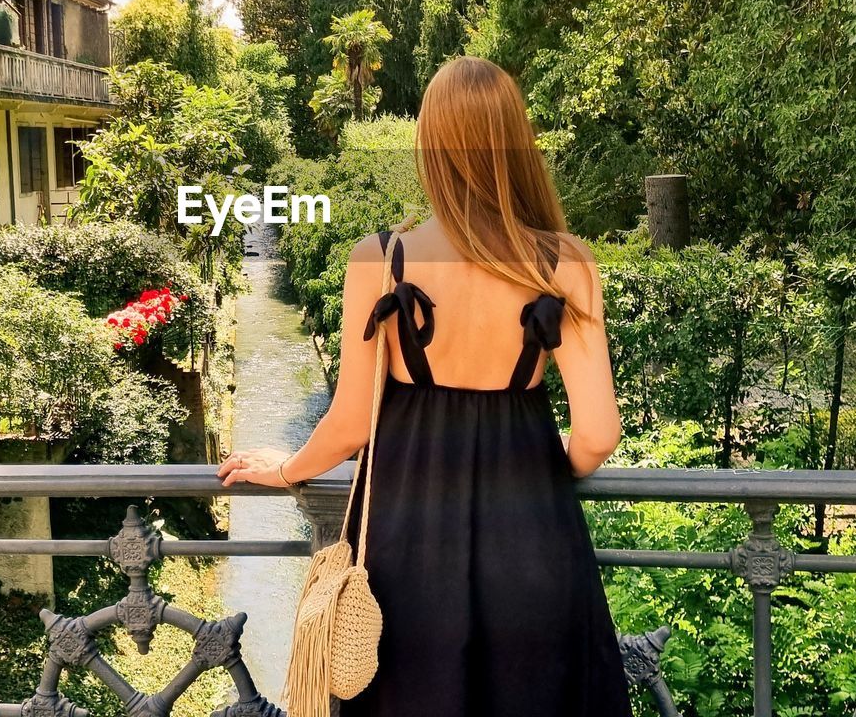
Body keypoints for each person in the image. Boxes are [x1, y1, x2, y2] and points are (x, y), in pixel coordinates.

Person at [218, 56, 631, 716]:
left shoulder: (381, 259)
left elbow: (352, 421)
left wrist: (289, 468)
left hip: (407, 546)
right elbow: (599, 433)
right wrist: (541, 474)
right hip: (533, 540)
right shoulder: (565, 262)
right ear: (516, 144)